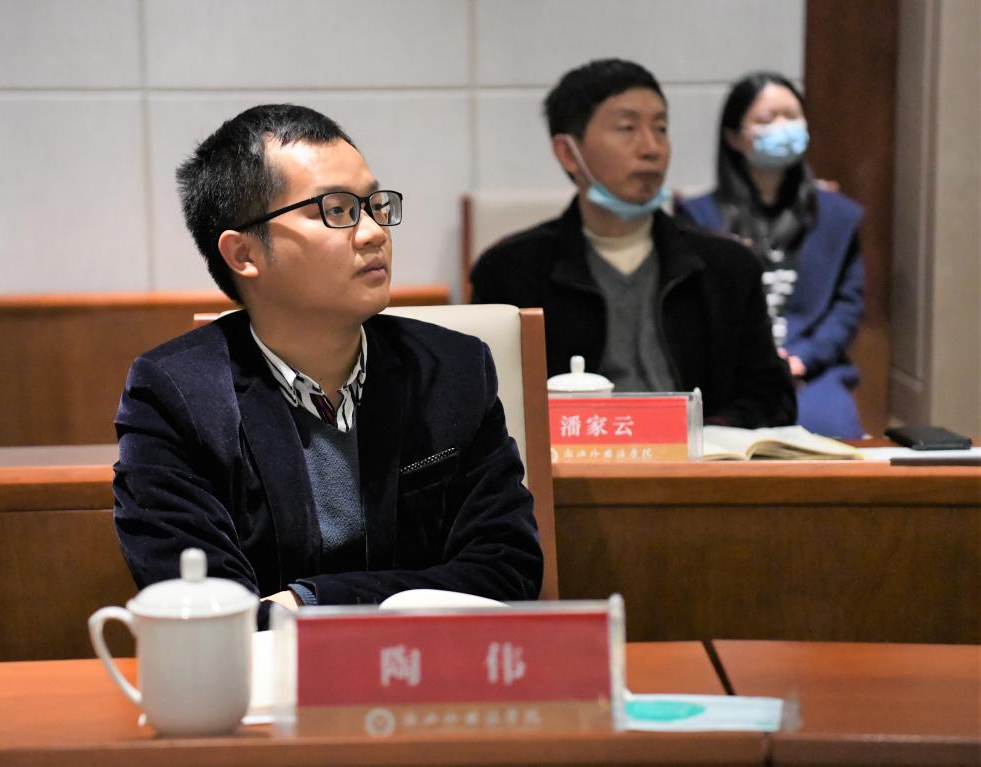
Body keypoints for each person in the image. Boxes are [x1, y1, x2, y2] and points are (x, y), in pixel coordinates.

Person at [113, 104, 542, 629]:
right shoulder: (174, 396)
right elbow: (206, 611)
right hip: (268, 678)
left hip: (430, 671)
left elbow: (507, 571)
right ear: (244, 253)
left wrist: (308, 601)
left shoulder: (453, 369)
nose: (374, 233)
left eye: (375, 205)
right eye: (336, 211)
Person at [471, 59, 795, 428]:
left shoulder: (729, 266)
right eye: (627, 128)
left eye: (661, 128)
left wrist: (704, 438)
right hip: (571, 462)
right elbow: (487, 406)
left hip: (700, 460)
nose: (651, 148)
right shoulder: (510, 271)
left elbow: (771, 399)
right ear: (568, 153)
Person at [676, 72, 865, 437]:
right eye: (767, 119)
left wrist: (803, 359)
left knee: (831, 426)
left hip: (810, 368)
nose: (782, 127)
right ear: (734, 136)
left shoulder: (836, 215)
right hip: (729, 371)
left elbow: (847, 306)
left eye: (791, 116)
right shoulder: (697, 218)